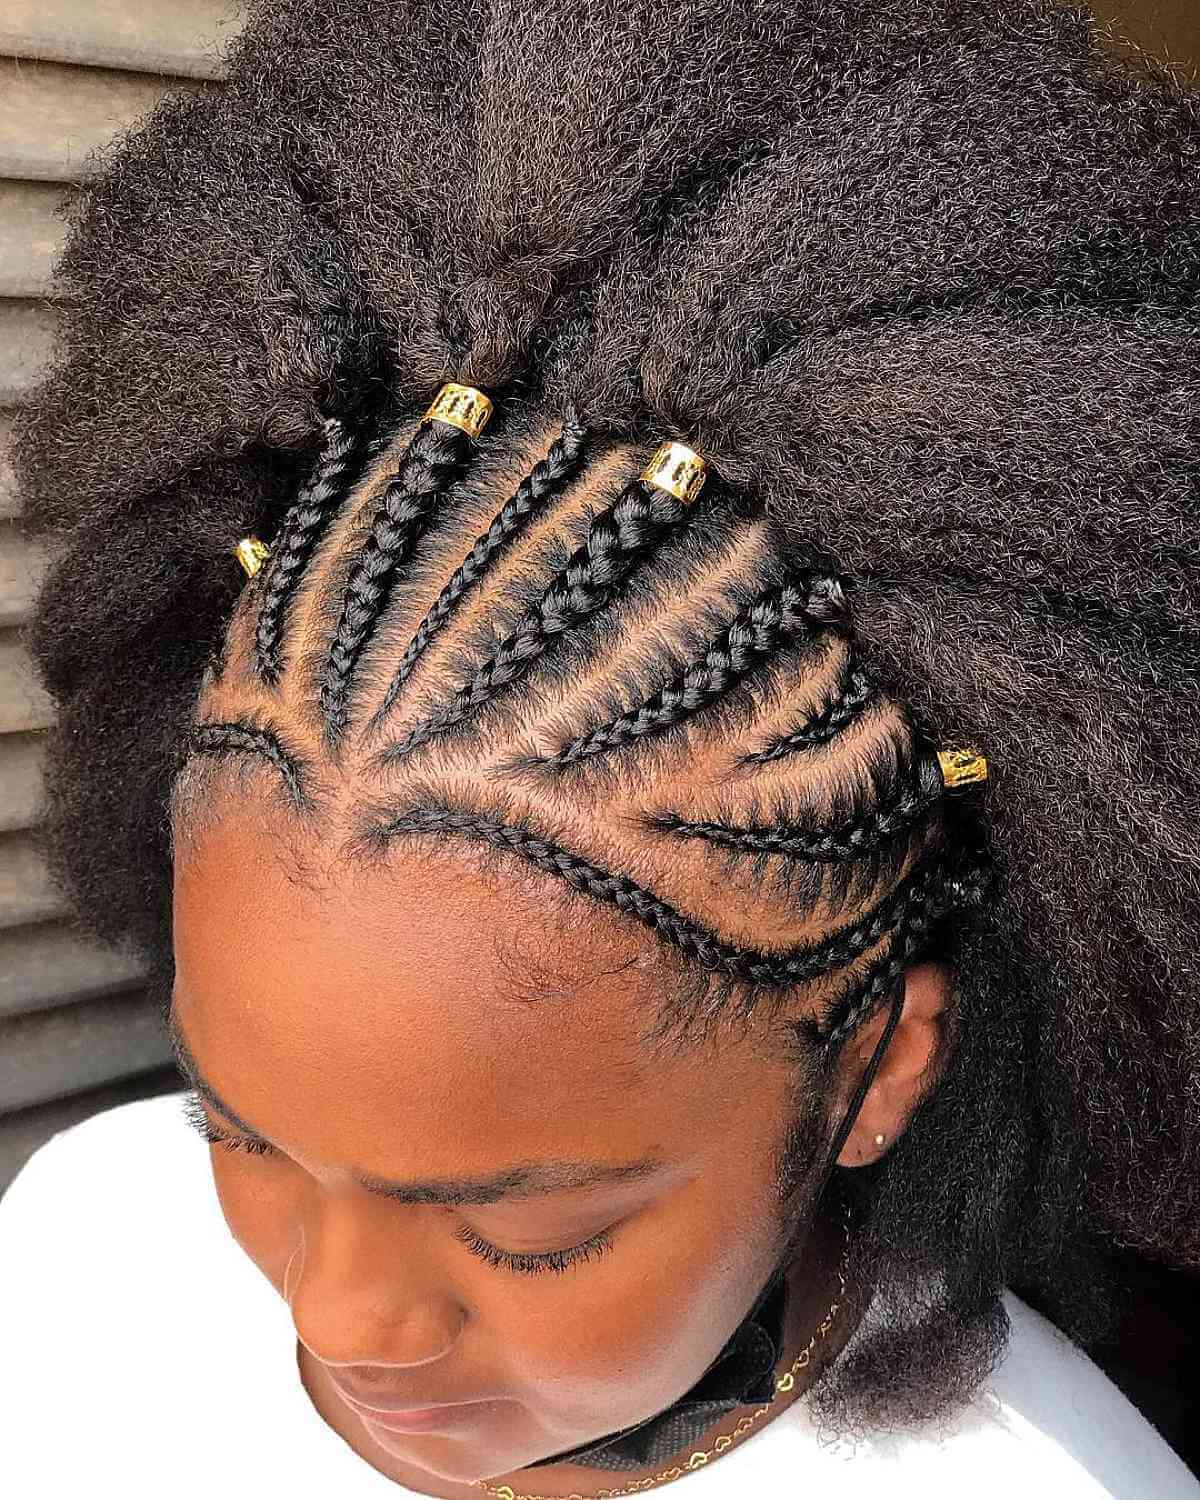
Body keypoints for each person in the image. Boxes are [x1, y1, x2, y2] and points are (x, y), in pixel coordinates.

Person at [2, 0, 1199, 1495]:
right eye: (237, 1129)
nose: (336, 1318)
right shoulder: (81, 1242)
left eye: (530, 1231)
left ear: (879, 1072)